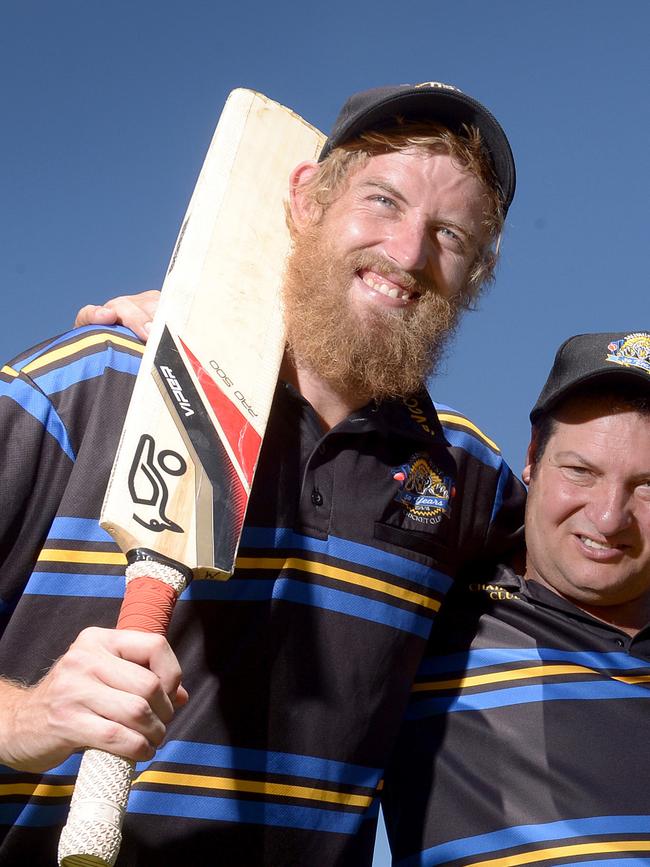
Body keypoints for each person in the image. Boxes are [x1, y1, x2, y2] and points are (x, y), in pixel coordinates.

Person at [0, 83, 525, 865]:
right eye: (383, 199)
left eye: (449, 234)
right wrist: (26, 717)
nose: (408, 253)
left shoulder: (468, 479)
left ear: (475, 274)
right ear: (307, 199)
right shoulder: (93, 386)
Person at [381, 331, 650, 866]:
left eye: (648, 487)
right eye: (581, 472)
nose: (608, 516)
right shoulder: (433, 618)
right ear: (532, 458)